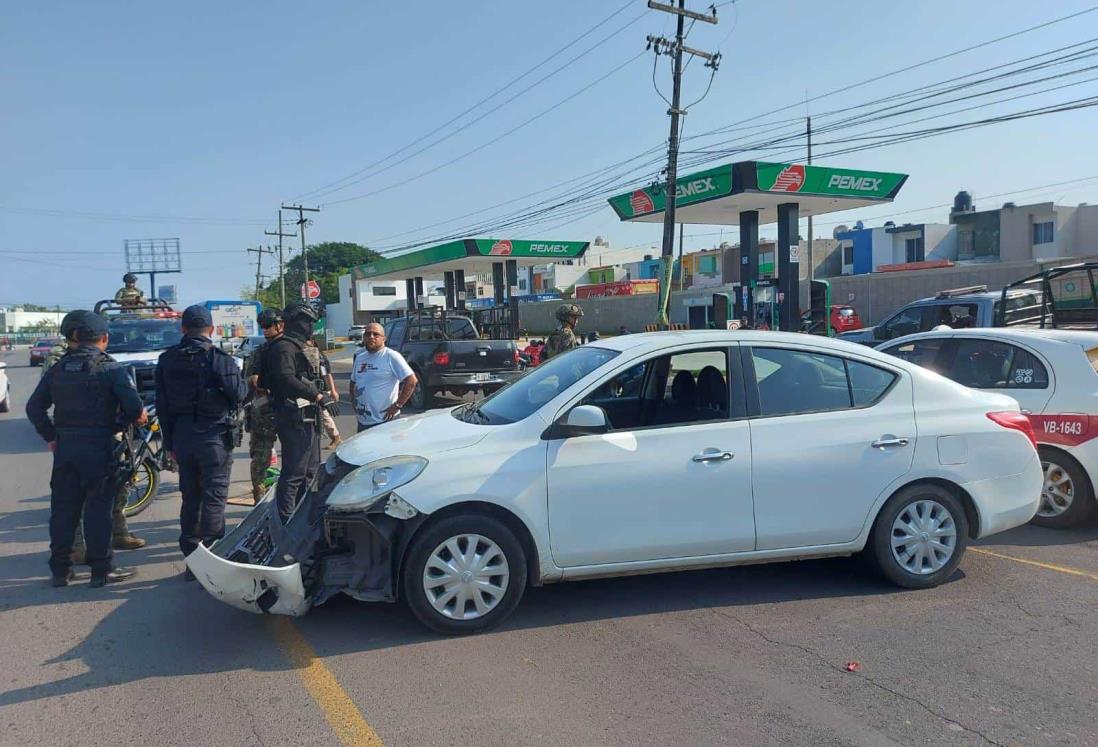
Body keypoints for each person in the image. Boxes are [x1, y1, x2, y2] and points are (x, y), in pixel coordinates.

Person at [26, 310, 146, 587]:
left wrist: (51, 436)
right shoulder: (110, 368)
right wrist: (119, 423)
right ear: (104, 338)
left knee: (63, 510)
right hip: (99, 446)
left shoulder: (58, 368)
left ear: (76, 338)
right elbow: (133, 408)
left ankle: (60, 571)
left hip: (66, 447)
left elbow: (34, 407)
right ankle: (101, 571)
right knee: (98, 510)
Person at [155, 305, 247, 578]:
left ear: (183, 329)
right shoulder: (219, 358)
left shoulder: (167, 359)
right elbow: (238, 394)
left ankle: (193, 561)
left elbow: (162, 406)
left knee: (191, 497)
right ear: (212, 329)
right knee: (214, 497)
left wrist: (169, 443)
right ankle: (213, 558)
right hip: (213, 438)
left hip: (182, 438)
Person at [259, 302, 326, 523]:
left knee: (310, 471)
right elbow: (285, 379)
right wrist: (315, 394)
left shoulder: (297, 346)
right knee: (295, 472)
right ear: (296, 323)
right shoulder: (283, 348)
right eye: (307, 322)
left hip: (306, 416)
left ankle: (303, 517)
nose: (310, 327)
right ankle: (286, 521)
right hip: (293, 417)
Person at [230, 308, 282, 507]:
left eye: (268, 325)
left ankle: (266, 498)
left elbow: (252, 381)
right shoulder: (262, 352)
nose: (266, 329)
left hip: (273, 409)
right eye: (264, 326)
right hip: (268, 410)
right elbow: (252, 380)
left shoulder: (265, 351)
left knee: (264, 457)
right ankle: (261, 498)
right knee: (261, 457)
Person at [350, 322, 416, 434]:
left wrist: (398, 405)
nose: (371, 337)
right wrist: (354, 402)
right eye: (368, 334)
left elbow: (411, 381)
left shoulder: (391, 356)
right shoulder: (360, 358)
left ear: (384, 338)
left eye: (375, 334)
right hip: (363, 422)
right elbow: (353, 382)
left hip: (385, 421)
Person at [305, 338, 342, 448]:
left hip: (322, 390)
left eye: (307, 343)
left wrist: (333, 391)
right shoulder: (304, 356)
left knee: (324, 415)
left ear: (313, 342)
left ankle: (336, 437)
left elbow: (328, 374)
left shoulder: (320, 357)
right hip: (311, 390)